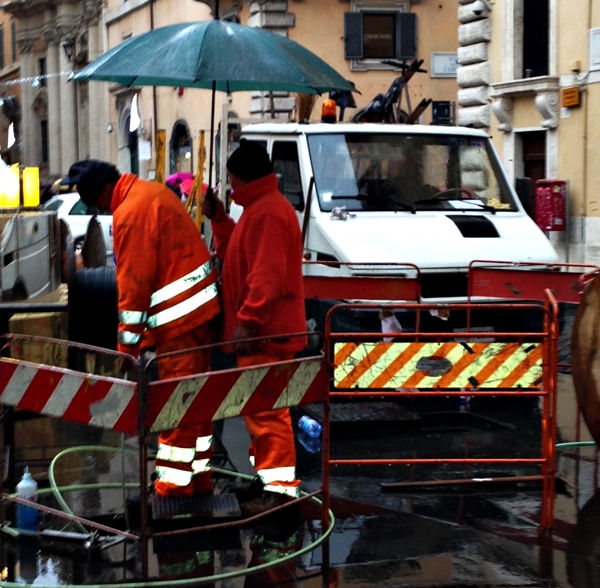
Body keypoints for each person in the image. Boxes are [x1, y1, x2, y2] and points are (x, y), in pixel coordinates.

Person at [68, 159, 221, 498]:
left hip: (180, 322)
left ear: (108, 189)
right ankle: (199, 480)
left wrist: (127, 349)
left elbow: (133, 286)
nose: (101, 209)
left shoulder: (130, 212)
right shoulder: (151, 193)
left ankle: (172, 489)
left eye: (98, 202)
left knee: (177, 404)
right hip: (198, 314)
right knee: (194, 402)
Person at [201, 141, 307, 515]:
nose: (230, 188)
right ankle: (268, 481)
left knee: (267, 411)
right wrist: (218, 217)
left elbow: (266, 277)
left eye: (231, 181)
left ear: (243, 177)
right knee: (261, 411)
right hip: (266, 332)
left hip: (266, 334)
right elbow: (238, 253)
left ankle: (278, 493)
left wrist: (247, 322)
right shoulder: (261, 209)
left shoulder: (266, 213)